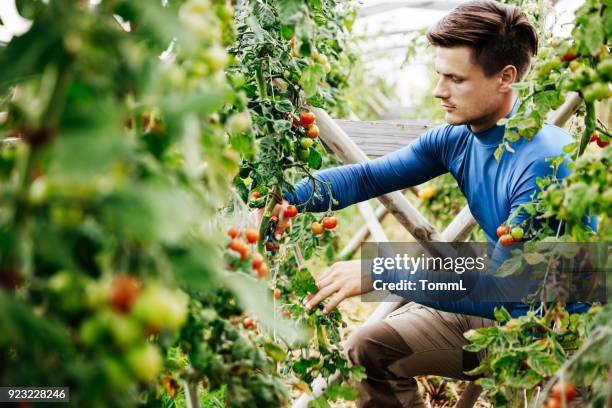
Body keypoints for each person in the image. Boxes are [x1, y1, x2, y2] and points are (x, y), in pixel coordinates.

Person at [255, 1, 588, 406]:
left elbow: (504, 288)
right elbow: (366, 177)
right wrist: (284, 198)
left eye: (455, 78)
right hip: (497, 306)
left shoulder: (543, 163)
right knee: (369, 347)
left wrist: (381, 271)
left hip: (557, 333)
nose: (439, 90)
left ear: (506, 78)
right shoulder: (456, 138)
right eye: (439, 75)